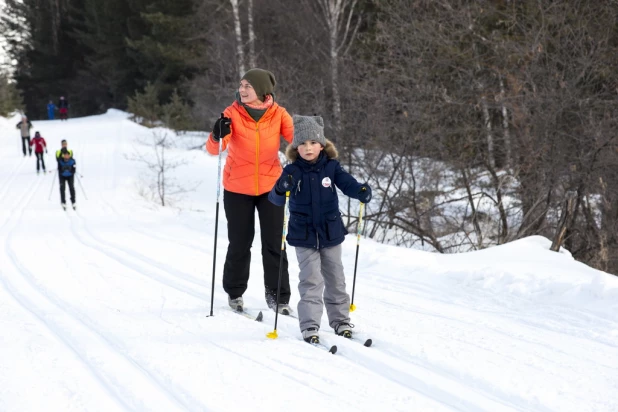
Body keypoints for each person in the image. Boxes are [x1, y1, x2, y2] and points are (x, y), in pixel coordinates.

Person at [268, 115, 372, 345]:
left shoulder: (332, 167)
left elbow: (347, 183)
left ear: (321, 144)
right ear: (296, 146)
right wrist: (281, 187)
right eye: (303, 143)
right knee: (311, 280)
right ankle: (310, 325)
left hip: (330, 232)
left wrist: (361, 190)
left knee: (336, 278)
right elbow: (275, 198)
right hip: (303, 235)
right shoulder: (292, 170)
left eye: (312, 143)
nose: (308, 148)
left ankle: (341, 320)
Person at [205, 68, 294, 314]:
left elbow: (296, 140)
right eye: (241, 85)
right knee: (240, 243)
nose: (242, 90)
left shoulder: (279, 114)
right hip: (237, 188)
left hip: (271, 188)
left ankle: (278, 297)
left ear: (262, 91)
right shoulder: (231, 113)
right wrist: (216, 134)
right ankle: (235, 293)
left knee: (275, 243)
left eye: (248, 86)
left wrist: (311, 135)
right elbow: (215, 149)